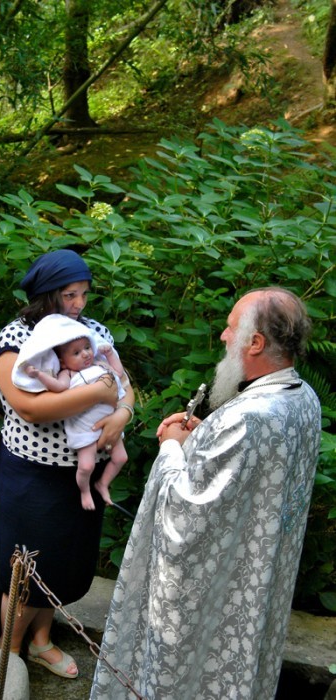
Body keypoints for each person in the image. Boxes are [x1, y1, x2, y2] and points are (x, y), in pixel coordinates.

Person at [90, 287, 321, 700]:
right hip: (254, 576)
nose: (222, 337)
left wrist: (173, 446)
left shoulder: (250, 416)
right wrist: (204, 439)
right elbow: (249, 478)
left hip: (219, 591)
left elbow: (185, 512)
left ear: (256, 343)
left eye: (231, 328)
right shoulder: (303, 397)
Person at [0, 248, 135, 679]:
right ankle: (6, 655)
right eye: (70, 295)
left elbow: (127, 388)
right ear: (46, 295)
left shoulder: (92, 332)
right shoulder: (14, 339)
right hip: (33, 471)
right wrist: (100, 393)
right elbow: (29, 407)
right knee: (25, 568)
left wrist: (123, 412)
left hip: (78, 475)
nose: (79, 305)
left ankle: (40, 642)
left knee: (58, 563)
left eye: (84, 294)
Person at [12, 313, 128, 510]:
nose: (85, 354)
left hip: (110, 421)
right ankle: (85, 491)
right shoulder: (69, 373)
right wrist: (39, 374)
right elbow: (57, 387)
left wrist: (109, 355)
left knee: (121, 458)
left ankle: (103, 484)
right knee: (86, 466)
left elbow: (119, 375)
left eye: (86, 348)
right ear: (63, 362)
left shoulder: (99, 364)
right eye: (76, 353)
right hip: (85, 427)